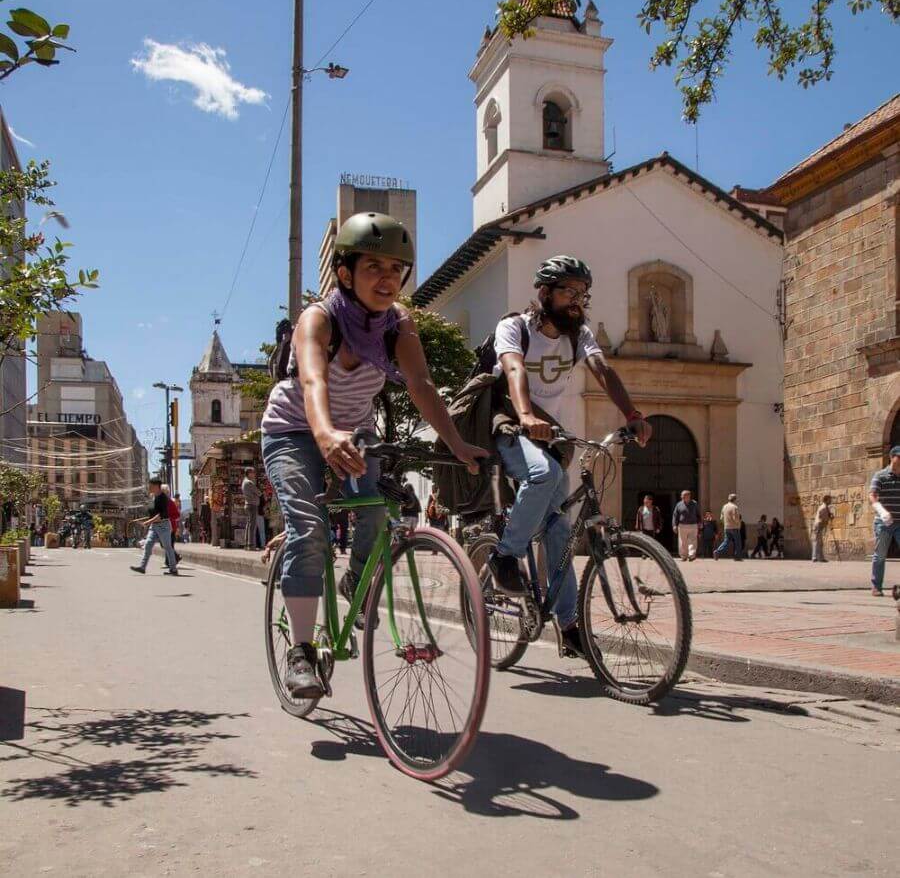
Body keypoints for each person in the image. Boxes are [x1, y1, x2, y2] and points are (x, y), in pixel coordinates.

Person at [260, 212, 487, 699]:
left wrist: (456, 443)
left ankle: (357, 583)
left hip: (355, 431)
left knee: (380, 509)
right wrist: (322, 433)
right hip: (295, 428)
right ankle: (301, 652)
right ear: (345, 273)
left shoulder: (396, 325)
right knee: (310, 530)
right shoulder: (318, 318)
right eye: (373, 267)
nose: (387, 279)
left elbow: (423, 386)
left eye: (395, 269)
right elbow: (312, 381)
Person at [489, 255, 652, 658]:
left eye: (583, 294)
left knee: (560, 533)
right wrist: (525, 414)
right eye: (569, 292)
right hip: (508, 426)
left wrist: (632, 414)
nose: (578, 301)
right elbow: (513, 371)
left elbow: (603, 370)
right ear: (544, 293)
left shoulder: (580, 335)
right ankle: (504, 558)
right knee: (542, 474)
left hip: (551, 436)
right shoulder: (515, 327)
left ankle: (568, 625)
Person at [130, 477, 179, 575]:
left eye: (151, 485)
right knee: (148, 545)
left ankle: (173, 569)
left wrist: (148, 522)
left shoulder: (163, 498)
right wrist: (147, 520)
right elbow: (153, 513)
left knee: (167, 547)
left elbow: (161, 515)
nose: (149, 487)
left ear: (156, 486)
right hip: (154, 526)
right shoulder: (153, 497)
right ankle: (142, 567)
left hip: (163, 525)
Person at [869, 446, 900, 597]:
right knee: (880, 555)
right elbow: (872, 496)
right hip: (883, 522)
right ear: (891, 457)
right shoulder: (880, 476)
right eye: (899, 457)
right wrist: (881, 511)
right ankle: (876, 586)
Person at [672, 489, 700, 561]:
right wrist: (674, 525)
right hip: (682, 525)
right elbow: (675, 515)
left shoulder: (694, 504)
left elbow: (698, 514)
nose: (682, 497)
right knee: (682, 542)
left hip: (693, 525)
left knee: (693, 541)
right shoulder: (679, 504)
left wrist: (699, 523)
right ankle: (684, 556)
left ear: (689, 496)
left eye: (684, 495)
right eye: (682, 495)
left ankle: (691, 555)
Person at [714, 494, 743, 561]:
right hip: (734, 527)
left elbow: (721, 518)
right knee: (737, 542)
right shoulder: (734, 507)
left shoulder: (724, 506)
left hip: (727, 527)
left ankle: (717, 551)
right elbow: (735, 518)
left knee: (726, 541)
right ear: (735, 499)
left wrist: (726, 524)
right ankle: (737, 556)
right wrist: (739, 524)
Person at [242, 467, 262, 550]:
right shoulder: (249, 483)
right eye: (253, 472)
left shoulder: (245, 482)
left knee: (249, 525)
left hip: (248, 504)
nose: (254, 474)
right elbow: (259, 493)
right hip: (252, 505)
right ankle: (251, 545)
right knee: (252, 526)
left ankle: (247, 544)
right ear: (249, 473)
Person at [161, 484, 182, 563]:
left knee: (168, 545)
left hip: (171, 527)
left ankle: (175, 558)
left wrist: (169, 518)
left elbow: (177, 515)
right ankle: (168, 561)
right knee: (166, 545)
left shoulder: (170, 502)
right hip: (163, 527)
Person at [811, 495, 832, 563]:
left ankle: (820, 557)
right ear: (826, 500)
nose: (831, 501)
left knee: (820, 542)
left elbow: (826, 517)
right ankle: (815, 557)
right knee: (817, 541)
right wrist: (829, 517)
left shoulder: (825, 507)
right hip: (818, 525)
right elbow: (823, 518)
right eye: (829, 499)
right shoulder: (823, 508)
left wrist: (829, 515)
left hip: (820, 525)